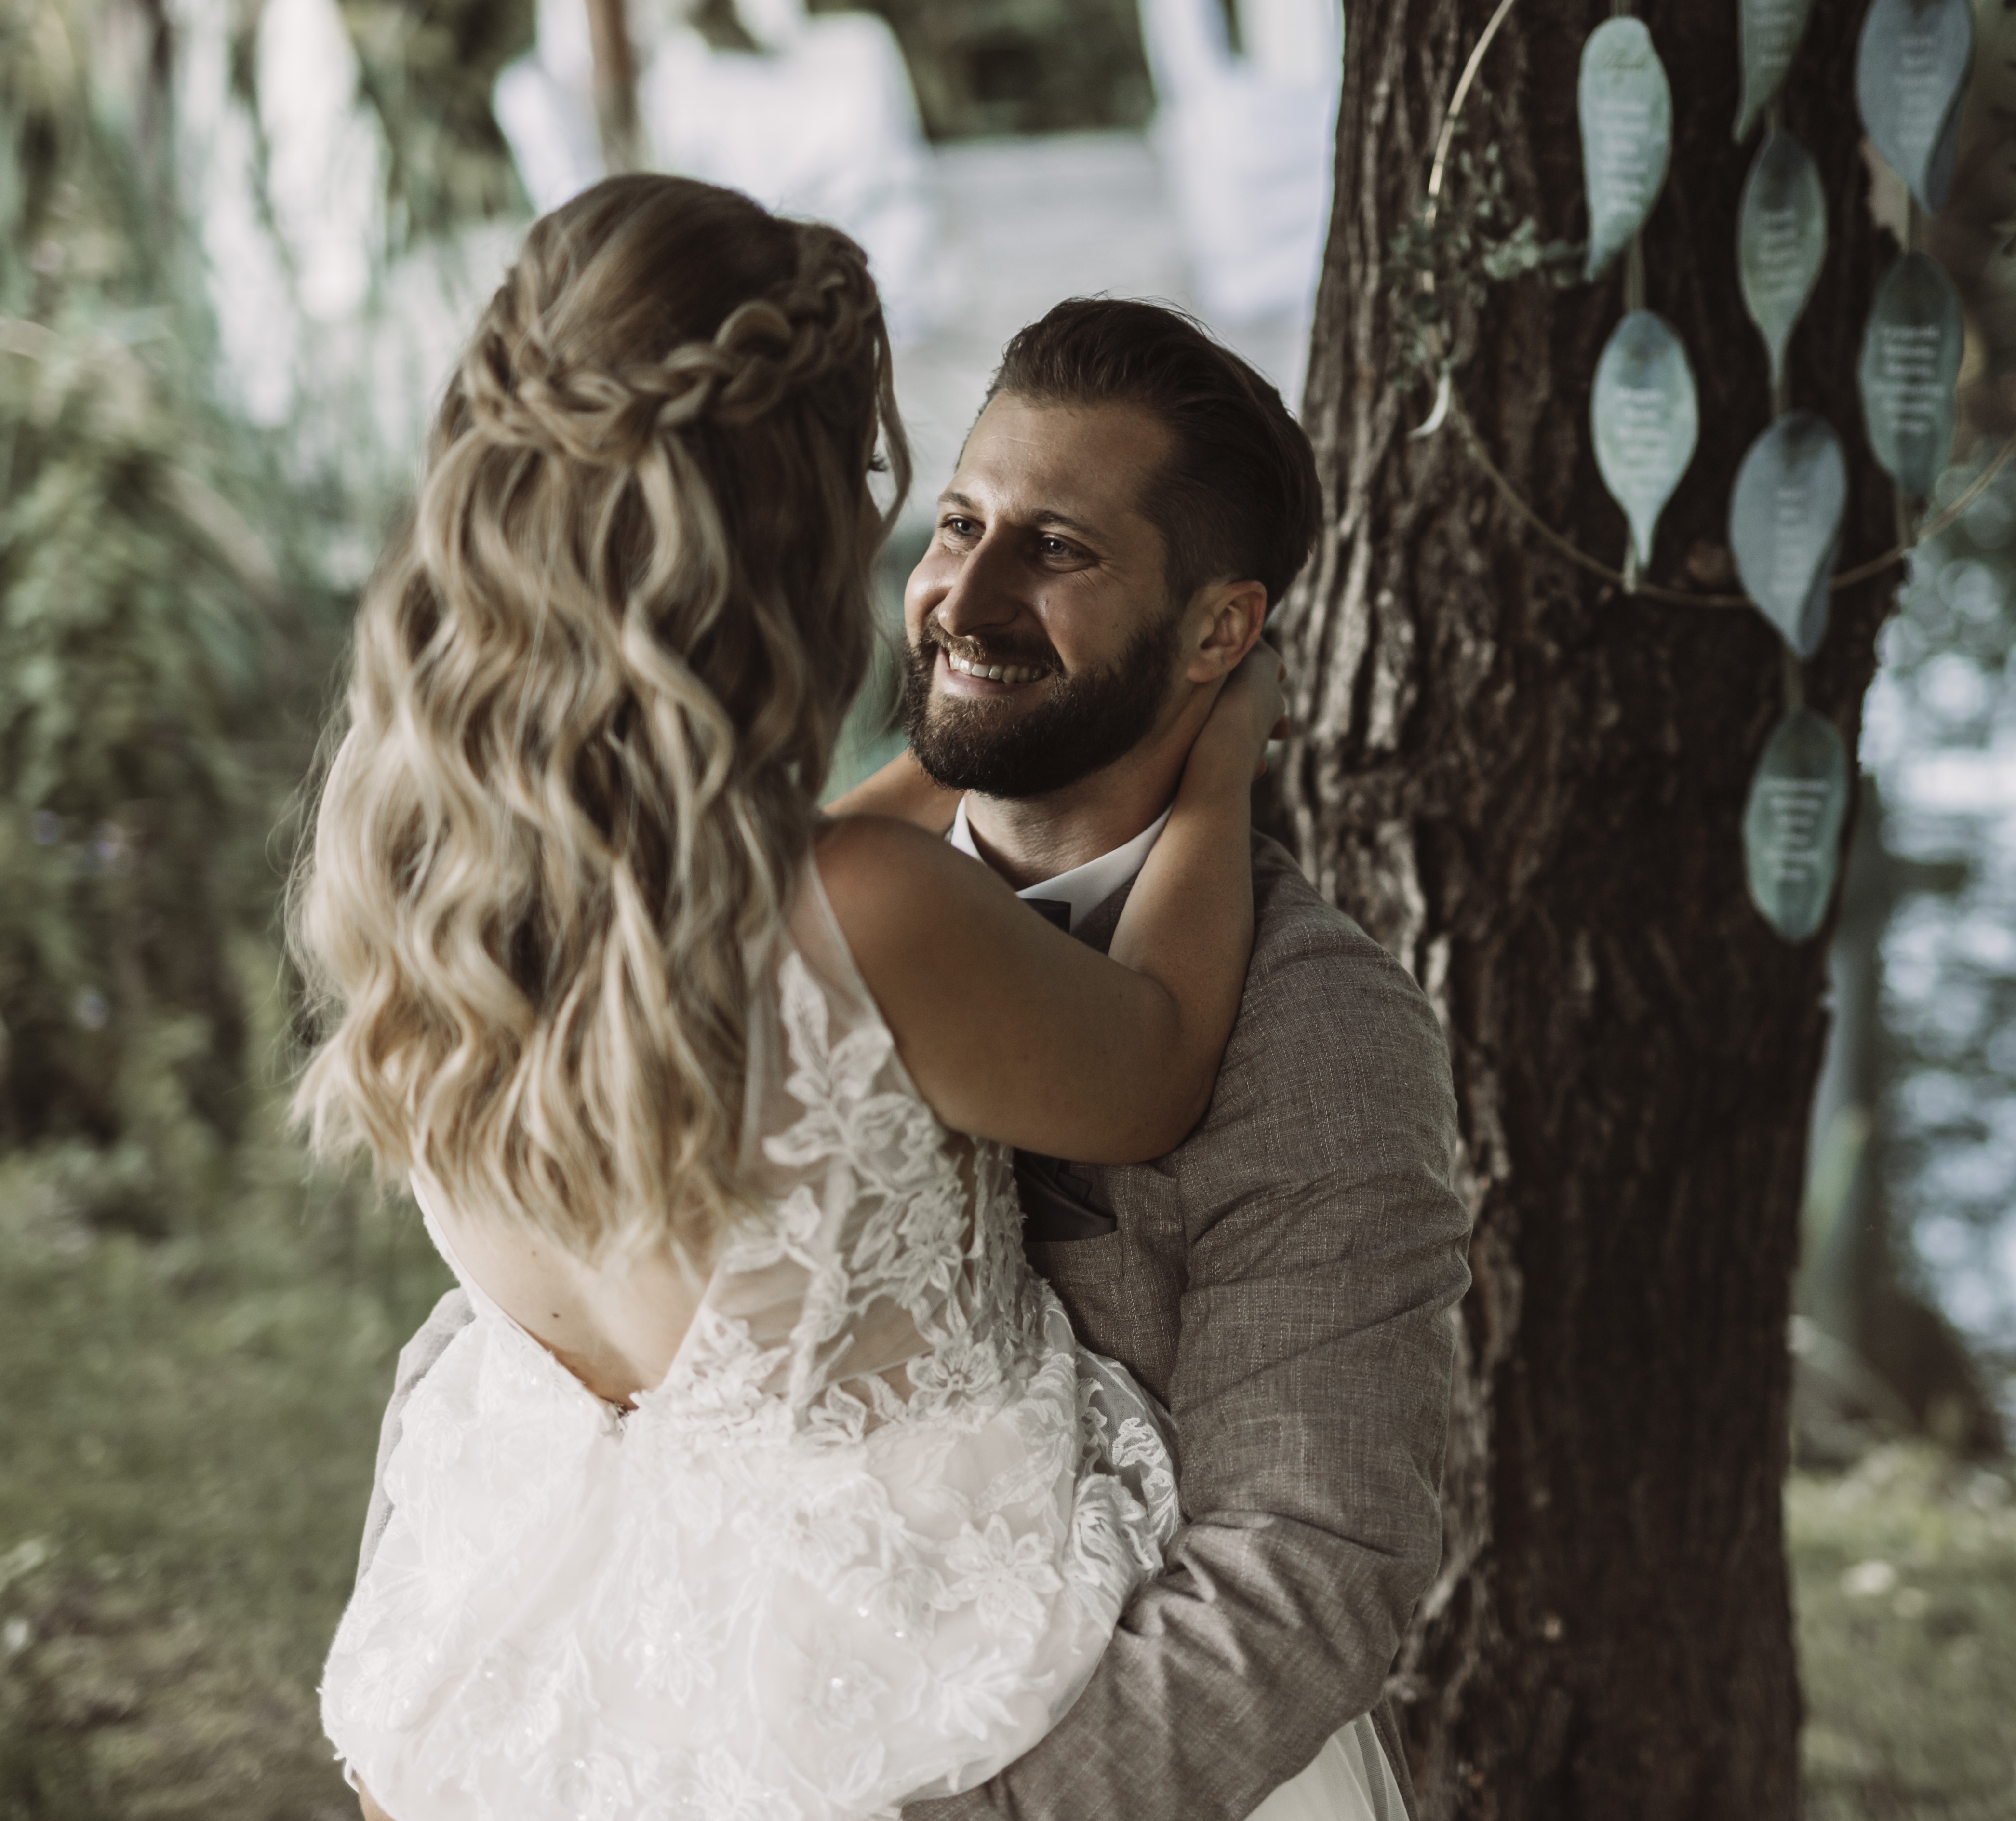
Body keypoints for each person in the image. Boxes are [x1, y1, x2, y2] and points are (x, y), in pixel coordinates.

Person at [347, 277, 1469, 1818]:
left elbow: (1310, 1567)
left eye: (1057, 548)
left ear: (1223, 629)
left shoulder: (1316, 1027)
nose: (966, 594)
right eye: (957, 524)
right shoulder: (773, 920)